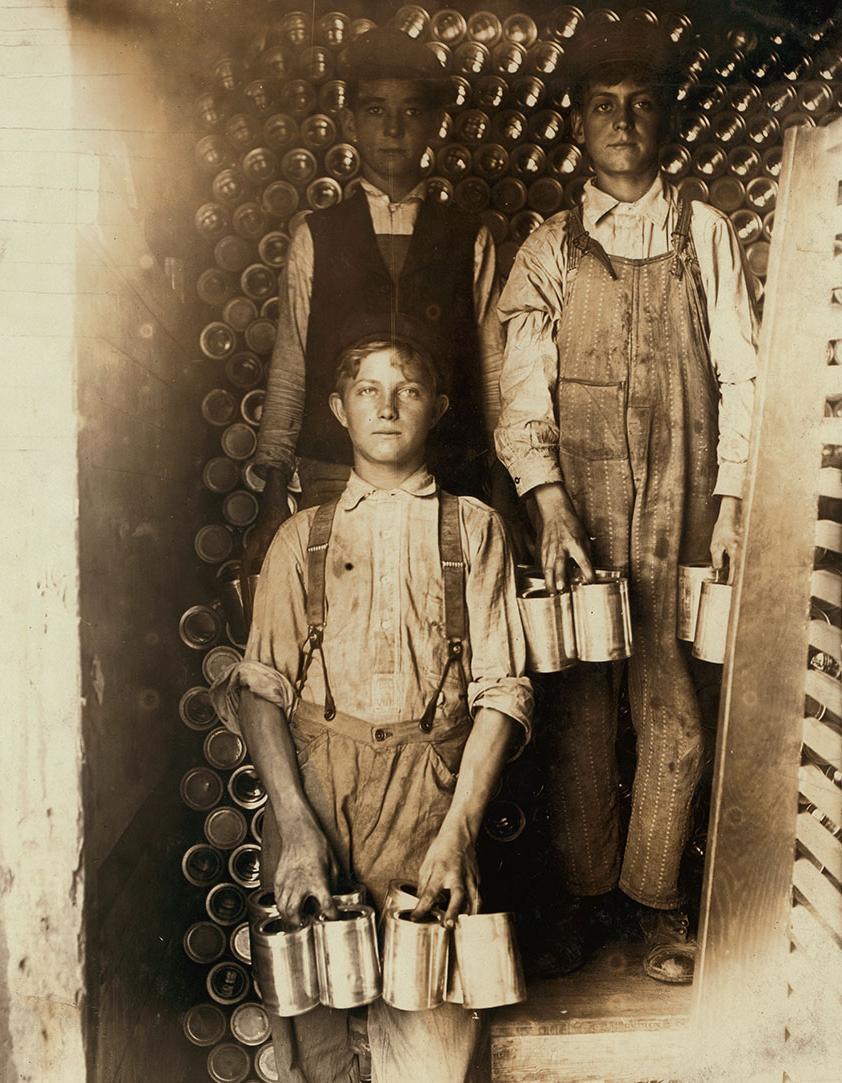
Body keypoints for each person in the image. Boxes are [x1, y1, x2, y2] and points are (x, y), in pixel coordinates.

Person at [494, 21, 760, 984]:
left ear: (667, 122)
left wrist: (730, 503)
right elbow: (520, 386)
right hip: (581, 516)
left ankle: (654, 897)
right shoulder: (550, 245)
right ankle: (582, 897)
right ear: (576, 123)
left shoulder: (704, 232)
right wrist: (549, 502)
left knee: (675, 715)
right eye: (604, 104)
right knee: (577, 714)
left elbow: (743, 373)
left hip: (683, 509)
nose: (622, 120)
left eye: (641, 104)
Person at [212, 321, 533, 1083]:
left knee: (430, 1054)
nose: (387, 406)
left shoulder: (475, 530)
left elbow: (503, 696)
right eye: (368, 390)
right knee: (315, 1052)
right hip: (317, 793)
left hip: (430, 799)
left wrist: (457, 835)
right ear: (338, 407)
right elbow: (262, 689)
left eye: (408, 390)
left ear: (439, 407)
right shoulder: (300, 538)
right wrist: (293, 828)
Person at [243, 26, 510, 585]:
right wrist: (272, 498)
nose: (392, 129)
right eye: (374, 110)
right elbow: (291, 368)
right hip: (332, 479)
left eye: (411, 112)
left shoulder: (470, 238)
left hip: (447, 477)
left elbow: (491, 376)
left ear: (435, 124)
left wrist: (505, 489)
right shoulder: (316, 235)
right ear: (350, 124)